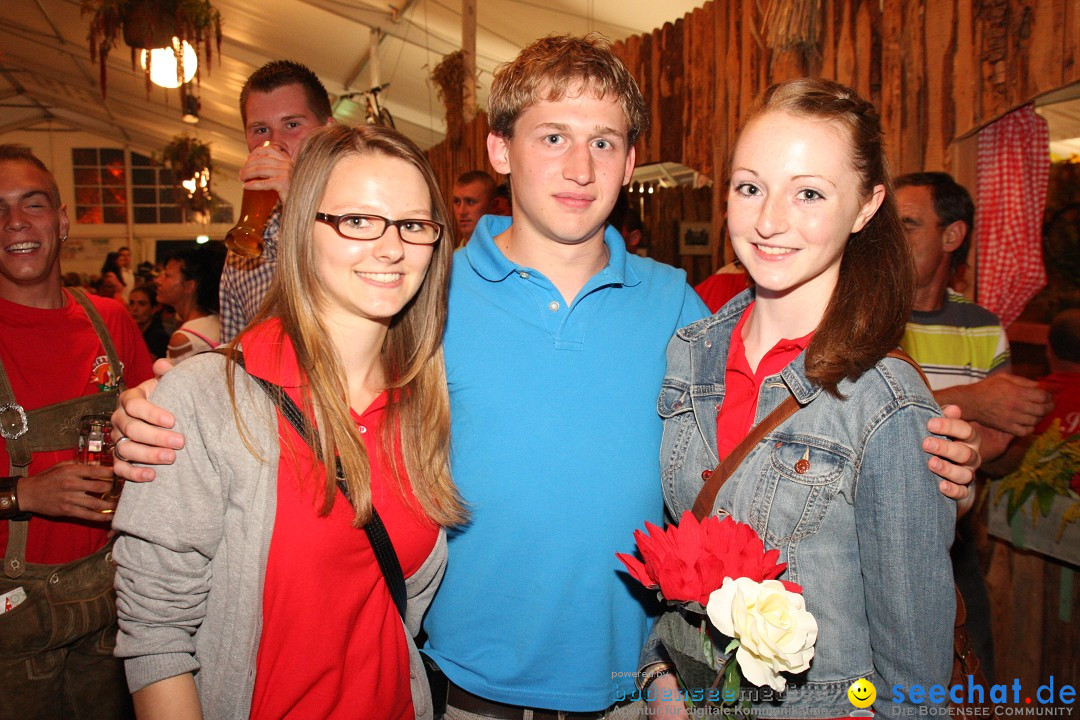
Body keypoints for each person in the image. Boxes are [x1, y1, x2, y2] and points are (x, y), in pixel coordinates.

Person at [109, 36, 980, 718]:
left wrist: (932, 465)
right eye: (551, 137)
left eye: (604, 141)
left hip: (646, 696)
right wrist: (158, 400)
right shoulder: (421, 286)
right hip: (456, 693)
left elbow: (799, 429)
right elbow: (294, 363)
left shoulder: (683, 314)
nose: (578, 166)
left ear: (632, 161)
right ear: (498, 149)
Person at [112, 124, 464, 720]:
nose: (390, 247)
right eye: (357, 220)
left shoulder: (423, 407)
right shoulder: (210, 398)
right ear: (304, 228)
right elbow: (155, 635)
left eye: (412, 224)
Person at [645, 79, 955, 716]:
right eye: (750, 187)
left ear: (866, 208)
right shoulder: (690, 352)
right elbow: (685, 559)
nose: (767, 221)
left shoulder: (886, 403)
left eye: (808, 193)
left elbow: (917, 669)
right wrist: (664, 671)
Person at [0, 144, 153, 720]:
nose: (15, 222)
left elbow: (157, 440)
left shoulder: (109, 319)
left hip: (112, 605)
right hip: (11, 624)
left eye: (32, 204)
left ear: (61, 221)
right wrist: (25, 495)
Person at [895, 172, 1053, 461]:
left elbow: (997, 453)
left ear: (951, 236)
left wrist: (1002, 441)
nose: (888, 241)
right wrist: (969, 401)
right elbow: (848, 422)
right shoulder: (854, 315)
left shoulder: (984, 327)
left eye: (907, 225)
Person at [219, 60, 334, 343]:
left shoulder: (362, 205)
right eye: (260, 130)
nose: (275, 143)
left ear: (328, 130)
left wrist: (296, 198)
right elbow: (236, 349)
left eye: (292, 125)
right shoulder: (243, 244)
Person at [154, 244, 225, 362]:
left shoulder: (183, 338)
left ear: (189, 286)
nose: (158, 281)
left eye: (167, 275)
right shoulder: (214, 318)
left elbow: (175, 380)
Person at [451, 169, 497, 243]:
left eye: (470, 202)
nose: (461, 211)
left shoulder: (509, 251)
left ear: (492, 206)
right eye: (457, 202)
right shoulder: (452, 255)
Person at [127, 283, 169, 360]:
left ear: (153, 309)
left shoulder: (160, 337)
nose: (135, 309)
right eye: (131, 303)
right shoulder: (126, 331)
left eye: (142, 304)